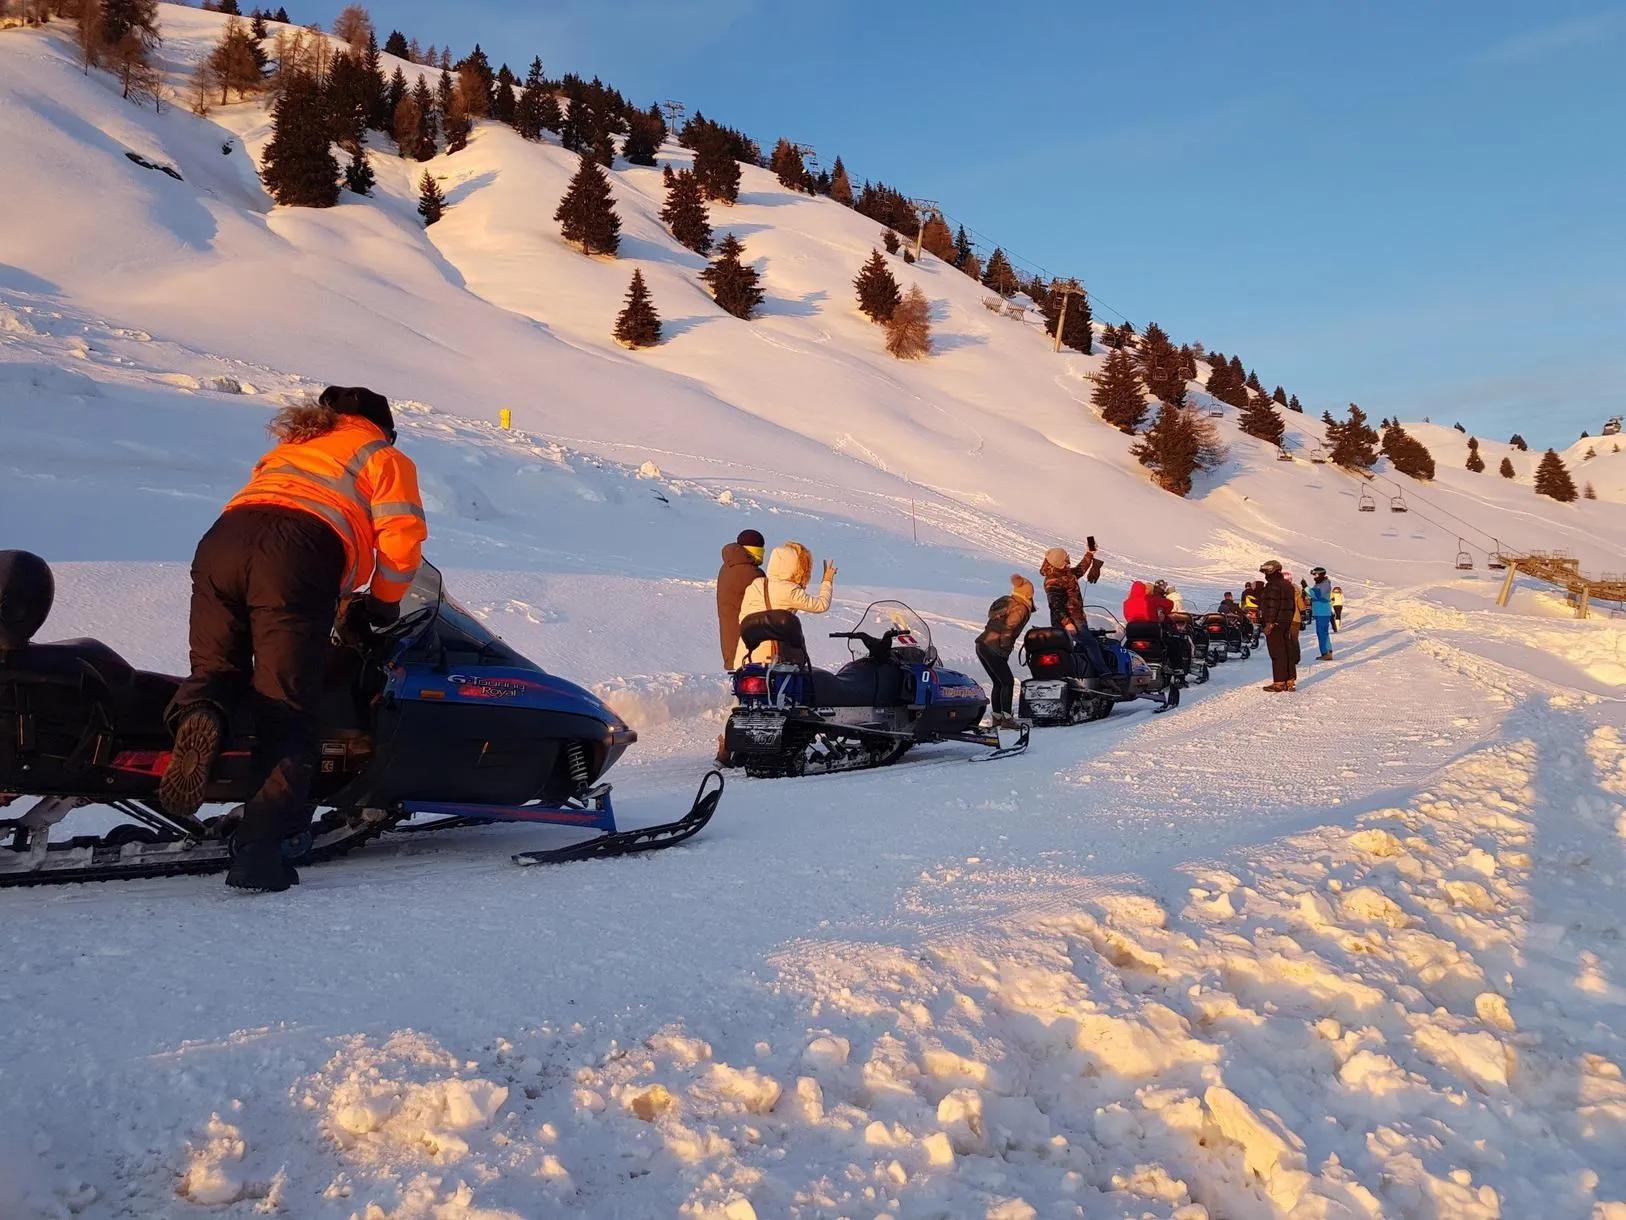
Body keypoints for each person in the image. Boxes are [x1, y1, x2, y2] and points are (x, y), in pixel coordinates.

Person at [160, 386, 427, 892]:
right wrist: (382, 604)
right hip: (298, 554)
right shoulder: (381, 454)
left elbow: (265, 508)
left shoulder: (289, 448)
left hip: (222, 543)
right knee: (286, 706)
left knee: (216, 673)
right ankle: (259, 852)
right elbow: (401, 536)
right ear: (381, 425)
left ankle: (201, 716)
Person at [735, 542, 835, 667]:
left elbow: (742, 618)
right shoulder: (789, 590)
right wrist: (827, 581)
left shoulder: (756, 584)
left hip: (746, 655)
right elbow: (821, 605)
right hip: (773, 659)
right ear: (795, 567)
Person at [975, 574, 1034, 729]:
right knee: (1007, 682)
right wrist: (1005, 647)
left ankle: (997, 718)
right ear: (1028, 594)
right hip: (994, 646)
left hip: (982, 644)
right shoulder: (1020, 608)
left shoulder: (1006, 602)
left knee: (998, 682)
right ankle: (1007, 720)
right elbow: (1009, 627)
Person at [1040, 544, 1110, 675]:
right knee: (1090, 644)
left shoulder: (1065, 573)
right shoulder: (1053, 581)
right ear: (1059, 561)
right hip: (1070, 620)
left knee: (1078, 647)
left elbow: (1080, 570)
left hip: (1076, 618)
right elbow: (1055, 605)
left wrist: (1089, 554)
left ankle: (1084, 674)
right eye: (1066, 558)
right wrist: (1067, 622)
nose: (1068, 560)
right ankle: (1104, 674)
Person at [716, 529, 766, 670]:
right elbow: (767, 600)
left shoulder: (728, 566)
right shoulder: (752, 573)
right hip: (747, 637)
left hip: (730, 635)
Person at [1257, 559, 1298, 692]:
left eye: (1266, 571)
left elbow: (1272, 605)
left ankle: (1279, 682)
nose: (1265, 574)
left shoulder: (1272, 585)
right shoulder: (1287, 585)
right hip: (1285, 622)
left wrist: (1269, 622)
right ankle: (1289, 679)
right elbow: (1292, 606)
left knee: (1277, 652)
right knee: (1286, 649)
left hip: (1275, 622)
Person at [1310, 566, 1335, 660]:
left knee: (1322, 632)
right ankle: (1326, 652)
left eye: (1315, 574)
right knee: (1322, 632)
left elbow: (1315, 594)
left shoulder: (1324, 584)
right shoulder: (1319, 584)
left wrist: (1305, 588)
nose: (1314, 577)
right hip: (1319, 612)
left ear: (1320, 574)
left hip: (1323, 612)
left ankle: (1327, 652)